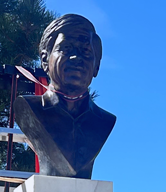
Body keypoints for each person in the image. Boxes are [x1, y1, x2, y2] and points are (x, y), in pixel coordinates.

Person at [11, 14, 116, 179]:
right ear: (45, 60)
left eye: (85, 51)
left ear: (96, 66)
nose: (76, 57)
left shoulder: (104, 121)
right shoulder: (29, 108)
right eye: (66, 48)